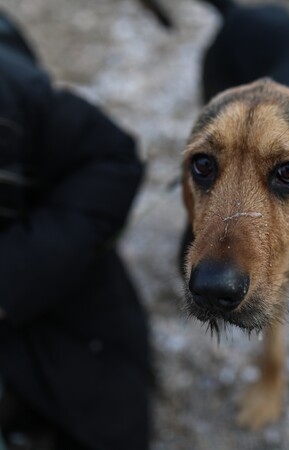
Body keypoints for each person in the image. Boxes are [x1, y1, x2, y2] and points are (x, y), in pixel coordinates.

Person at [0, 11, 152, 450]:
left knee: (106, 422)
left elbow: (114, 159)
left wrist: (10, 276)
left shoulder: (17, 99)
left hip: (47, 288)